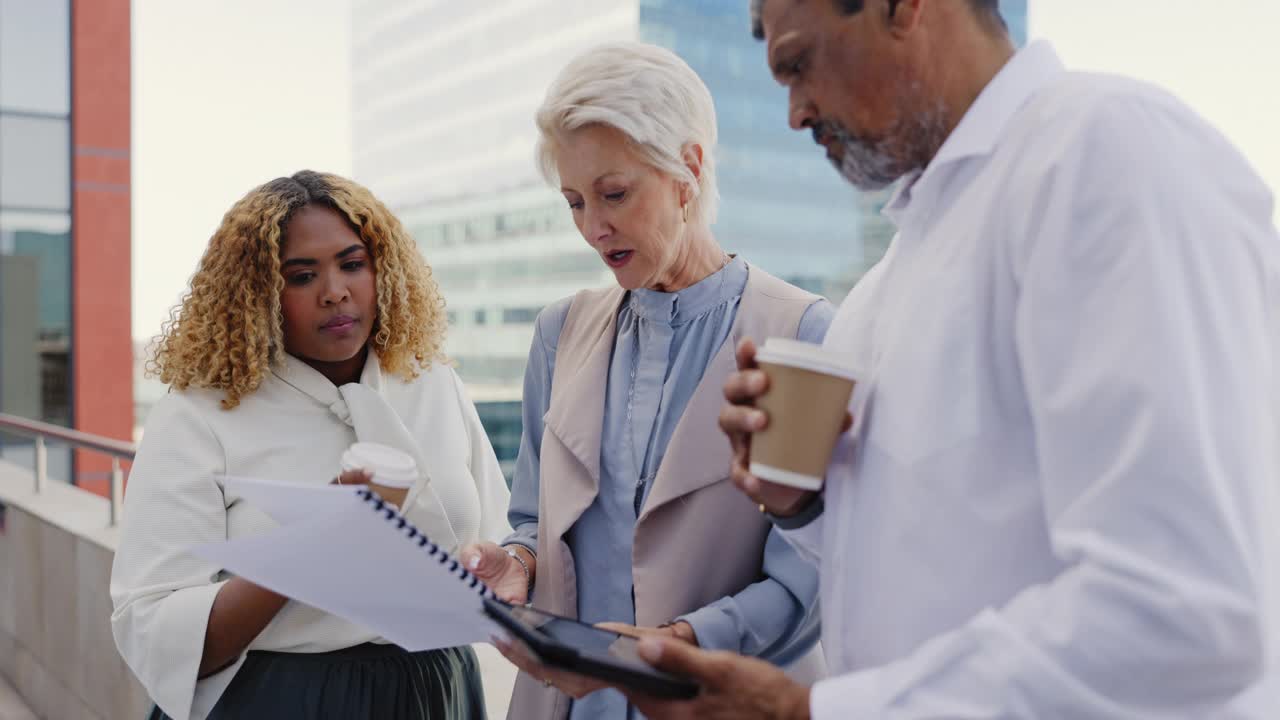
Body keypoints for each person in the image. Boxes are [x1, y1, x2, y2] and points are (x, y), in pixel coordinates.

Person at [575, 1, 1280, 718]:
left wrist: (808, 712)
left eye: (798, 64)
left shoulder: (1105, 155)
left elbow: (1186, 613)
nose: (793, 113)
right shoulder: (889, 284)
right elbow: (912, 567)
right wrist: (802, 506)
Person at [456, 42, 834, 719]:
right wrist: (520, 561)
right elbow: (532, 516)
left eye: (614, 194)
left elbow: (808, 577)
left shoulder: (800, 336)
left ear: (687, 170)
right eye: (574, 202)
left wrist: (684, 641)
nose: (593, 228)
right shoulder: (557, 333)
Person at [111, 171, 513, 720]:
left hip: (434, 690)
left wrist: (497, 564)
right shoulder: (200, 415)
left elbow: (500, 538)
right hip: (277, 699)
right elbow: (152, 624)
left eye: (352, 264)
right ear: (257, 296)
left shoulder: (433, 383)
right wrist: (315, 542)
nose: (335, 291)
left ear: (383, 269)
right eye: (302, 276)